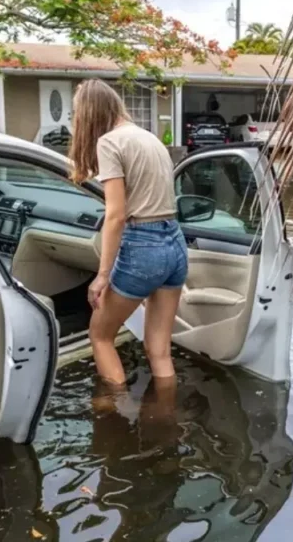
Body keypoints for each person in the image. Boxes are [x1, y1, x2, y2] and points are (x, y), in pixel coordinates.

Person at [70, 79, 187, 385]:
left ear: (89, 112)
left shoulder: (109, 142)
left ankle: (116, 420)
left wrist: (102, 276)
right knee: (159, 350)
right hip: (175, 244)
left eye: (76, 114)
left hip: (142, 247)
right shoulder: (149, 138)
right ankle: (167, 421)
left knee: (100, 336)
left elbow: (116, 215)